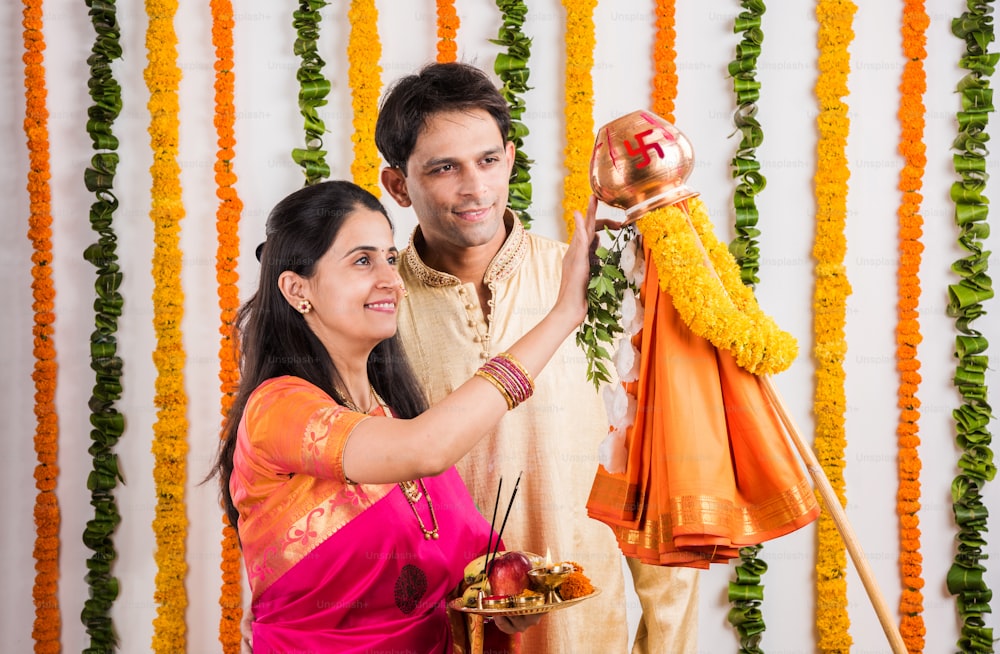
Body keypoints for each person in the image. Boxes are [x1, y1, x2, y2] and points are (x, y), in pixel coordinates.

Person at [375, 62, 700, 653]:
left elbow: (655, 481)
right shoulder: (375, 309)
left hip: (582, 634)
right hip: (432, 635)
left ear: (511, 157)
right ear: (398, 185)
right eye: (444, 168)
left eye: (488, 160)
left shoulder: (589, 284)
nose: (475, 188)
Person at [212, 179, 597, 653]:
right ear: (297, 289)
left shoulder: (392, 415)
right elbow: (426, 449)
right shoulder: (278, 409)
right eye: (362, 260)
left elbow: (473, 570)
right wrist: (563, 314)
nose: (391, 279)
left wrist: (505, 600)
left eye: (390, 258)